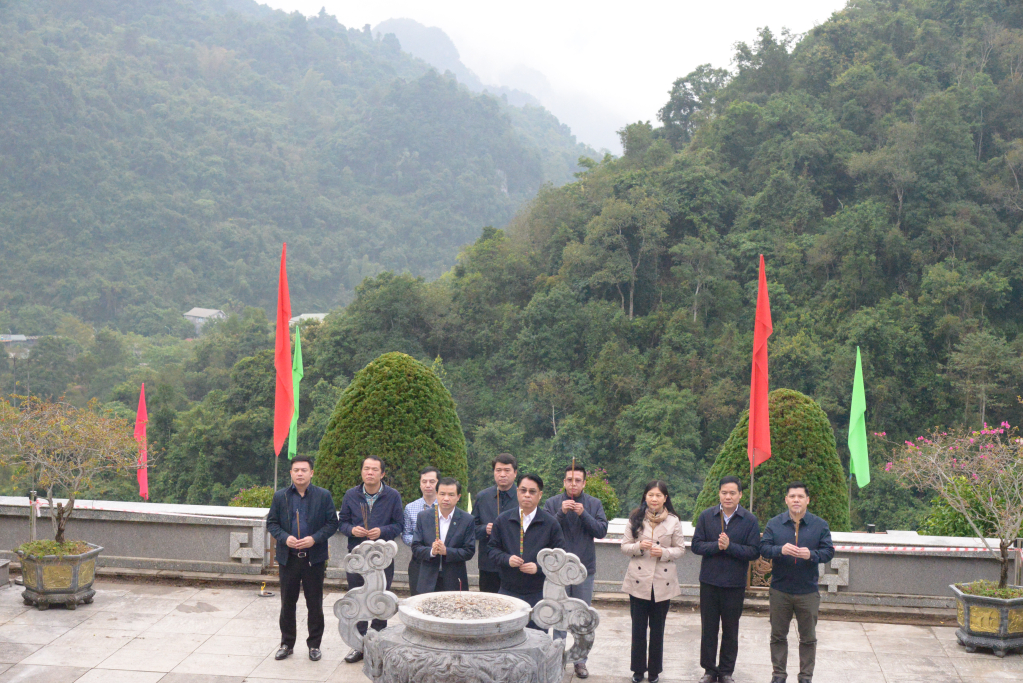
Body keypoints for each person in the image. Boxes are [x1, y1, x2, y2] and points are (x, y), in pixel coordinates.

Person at [265, 456, 339, 662]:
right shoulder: (281, 496)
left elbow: (332, 523)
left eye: (304, 470)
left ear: (311, 473)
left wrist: (314, 539)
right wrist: (284, 538)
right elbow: (272, 523)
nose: (300, 473)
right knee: (287, 603)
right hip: (288, 558)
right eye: (296, 470)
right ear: (291, 473)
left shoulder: (323, 496)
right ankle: (286, 644)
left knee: (314, 603)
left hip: (313, 558)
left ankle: (314, 645)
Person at [760, 482, 835, 683]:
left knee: (808, 638)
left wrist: (811, 554)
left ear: (807, 500)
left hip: (807, 591)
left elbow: (829, 552)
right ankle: (778, 675)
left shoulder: (820, 525)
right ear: (786, 500)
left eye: (800, 496)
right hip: (780, 589)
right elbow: (763, 548)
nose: (796, 500)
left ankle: (805, 677)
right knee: (778, 636)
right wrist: (780, 550)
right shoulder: (774, 523)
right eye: (792, 496)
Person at [690, 476, 762, 683]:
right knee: (709, 629)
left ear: (740, 495)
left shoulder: (749, 520)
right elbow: (696, 545)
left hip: (734, 584)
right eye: (724, 493)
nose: (728, 497)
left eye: (732, 493)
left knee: (730, 629)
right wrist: (717, 546)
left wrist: (730, 547)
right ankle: (709, 670)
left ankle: (726, 671)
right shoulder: (707, 516)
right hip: (709, 582)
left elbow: (754, 551)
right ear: (719, 494)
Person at [543, 462, 608, 680]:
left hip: (584, 569)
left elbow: (601, 531)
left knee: (582, 616)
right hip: (557, 570)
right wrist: (561, 513)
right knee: (559, 615)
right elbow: (544, 530)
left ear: (584, 483)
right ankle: (558, 658)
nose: (573, 484)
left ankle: (580, 660)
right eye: (569, 480)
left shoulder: (593, 504)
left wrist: (584, 514)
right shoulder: (552, 503)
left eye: (578, 480)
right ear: (564, 482)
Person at [337, 456, 404, 664]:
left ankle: (378, 645)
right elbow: (342, 523)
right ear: (362, 472)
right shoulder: (351, 494)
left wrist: (382, 531)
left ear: (382, 474)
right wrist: (352, 530)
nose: (370, 473)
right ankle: (358, 645)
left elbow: (399, 525)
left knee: (380, 601)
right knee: (358, 598)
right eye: (366, 468)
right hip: (357, 557)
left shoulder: (392, 496)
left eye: (375, 469)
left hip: (382, 558)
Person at [621, 480, 685, 683]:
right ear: (645, 497)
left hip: (662, 581)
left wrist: (664, 552)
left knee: (658, 630)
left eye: (658, 495)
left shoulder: (673, 521)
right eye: (650, 495)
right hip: (639, 580)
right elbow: (624, 546)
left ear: (665, 498)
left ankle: (655, 671)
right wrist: (639, 546)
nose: (654, 499)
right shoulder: (635, 518)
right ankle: (638, 670)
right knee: (638, 629)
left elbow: (680, 549)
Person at [487, 472, 565, 627]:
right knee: (505, 633)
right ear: (517, 492)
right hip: (508, 590)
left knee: (537, 636)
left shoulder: (550, 523)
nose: (527, 495)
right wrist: (507, 559)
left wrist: (539, 567)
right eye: (523, 490)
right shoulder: (503, 520)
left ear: (540, 495)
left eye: (532, 491)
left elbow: (559, 557)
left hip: (539, 593)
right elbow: (491, 550)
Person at [411, 477, 476, 593]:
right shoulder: (423, 517)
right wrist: (432, 551)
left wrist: (446, 551)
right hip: (428, 579)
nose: (446, 498)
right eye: (442, 494)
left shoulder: (467, 520)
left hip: (454, 580)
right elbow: (416, 547)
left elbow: (469, 551)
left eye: (451, 495)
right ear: (436, 494)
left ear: (458, 497)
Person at [473, 453, 519, 593]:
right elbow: (471, 529)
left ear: (515, 473)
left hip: (515, 562)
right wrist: (484, 529)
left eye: (507, 470)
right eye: (498, 470)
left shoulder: (523, 496)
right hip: (488, 564)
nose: (502, 474)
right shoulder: (483, 497)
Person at [402, 467, 441, 596]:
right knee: (417, 599)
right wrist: (419, 543)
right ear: (420, 484)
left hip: (441, 561)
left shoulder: (446, 506)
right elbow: (406, 534)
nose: (428, 485)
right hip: (419, 560)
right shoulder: (410, 507)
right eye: (424, 481)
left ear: (438, 483)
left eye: (432, 481)